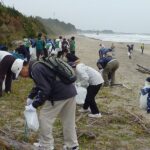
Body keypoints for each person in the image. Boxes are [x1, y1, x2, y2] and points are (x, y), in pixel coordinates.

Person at [20, 60, 79, 150]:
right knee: (69, 120)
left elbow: (45, 90)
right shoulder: (39, 64)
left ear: (23, 67)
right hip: (70, 92)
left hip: (58, 94)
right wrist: (31, 96)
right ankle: (72, 145)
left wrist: (34, 105)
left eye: (20, 73)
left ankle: (46, 145)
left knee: (45, 118)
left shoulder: (35, 69)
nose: (23, 77)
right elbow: (41, 83)